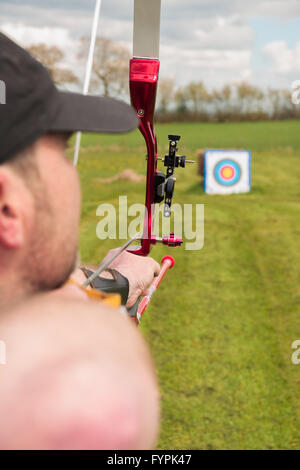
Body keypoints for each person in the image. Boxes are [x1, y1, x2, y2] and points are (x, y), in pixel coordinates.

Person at [0, 32, 160, 449]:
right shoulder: (62, 404)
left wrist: (112, 283)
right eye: (63, 147)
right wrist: (102, 331)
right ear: (6, 207)